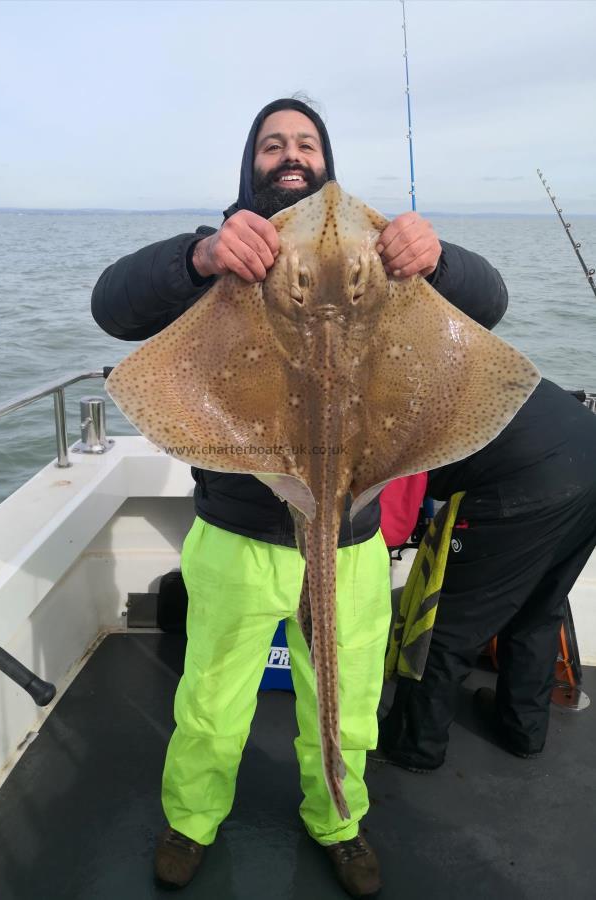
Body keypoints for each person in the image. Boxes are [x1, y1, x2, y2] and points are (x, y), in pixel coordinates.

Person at [91, 97, 509, 898]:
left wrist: (437, 258)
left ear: (327, 160)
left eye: (305, 143)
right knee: (212, 701)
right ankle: (191, 819)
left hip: (351, 541)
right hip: (238, 534)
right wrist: (200, 256)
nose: (291, 155)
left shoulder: (379, 255)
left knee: (349, 706)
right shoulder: (224, 257)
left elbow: (486, 305)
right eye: (273, 144)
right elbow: (113, 305)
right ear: (250, 166)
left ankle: (339, 822)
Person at [377, 378, 596, 773]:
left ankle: (415, 746)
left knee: (448, 624)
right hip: (586, 458)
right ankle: (523, 730)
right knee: (540, 610)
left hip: (528, 484)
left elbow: (395, 520)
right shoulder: (460, 367)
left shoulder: (395, 402)